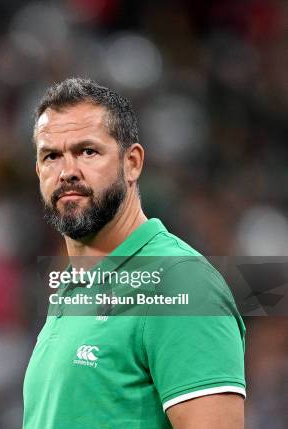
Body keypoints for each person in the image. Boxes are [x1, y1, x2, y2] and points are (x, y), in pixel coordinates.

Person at [22, 78, 245, 428]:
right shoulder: (73, 285)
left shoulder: (179, 283)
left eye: (87, 151)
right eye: (51, 156)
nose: (67, 172)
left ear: (133, 163)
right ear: (38, 171)